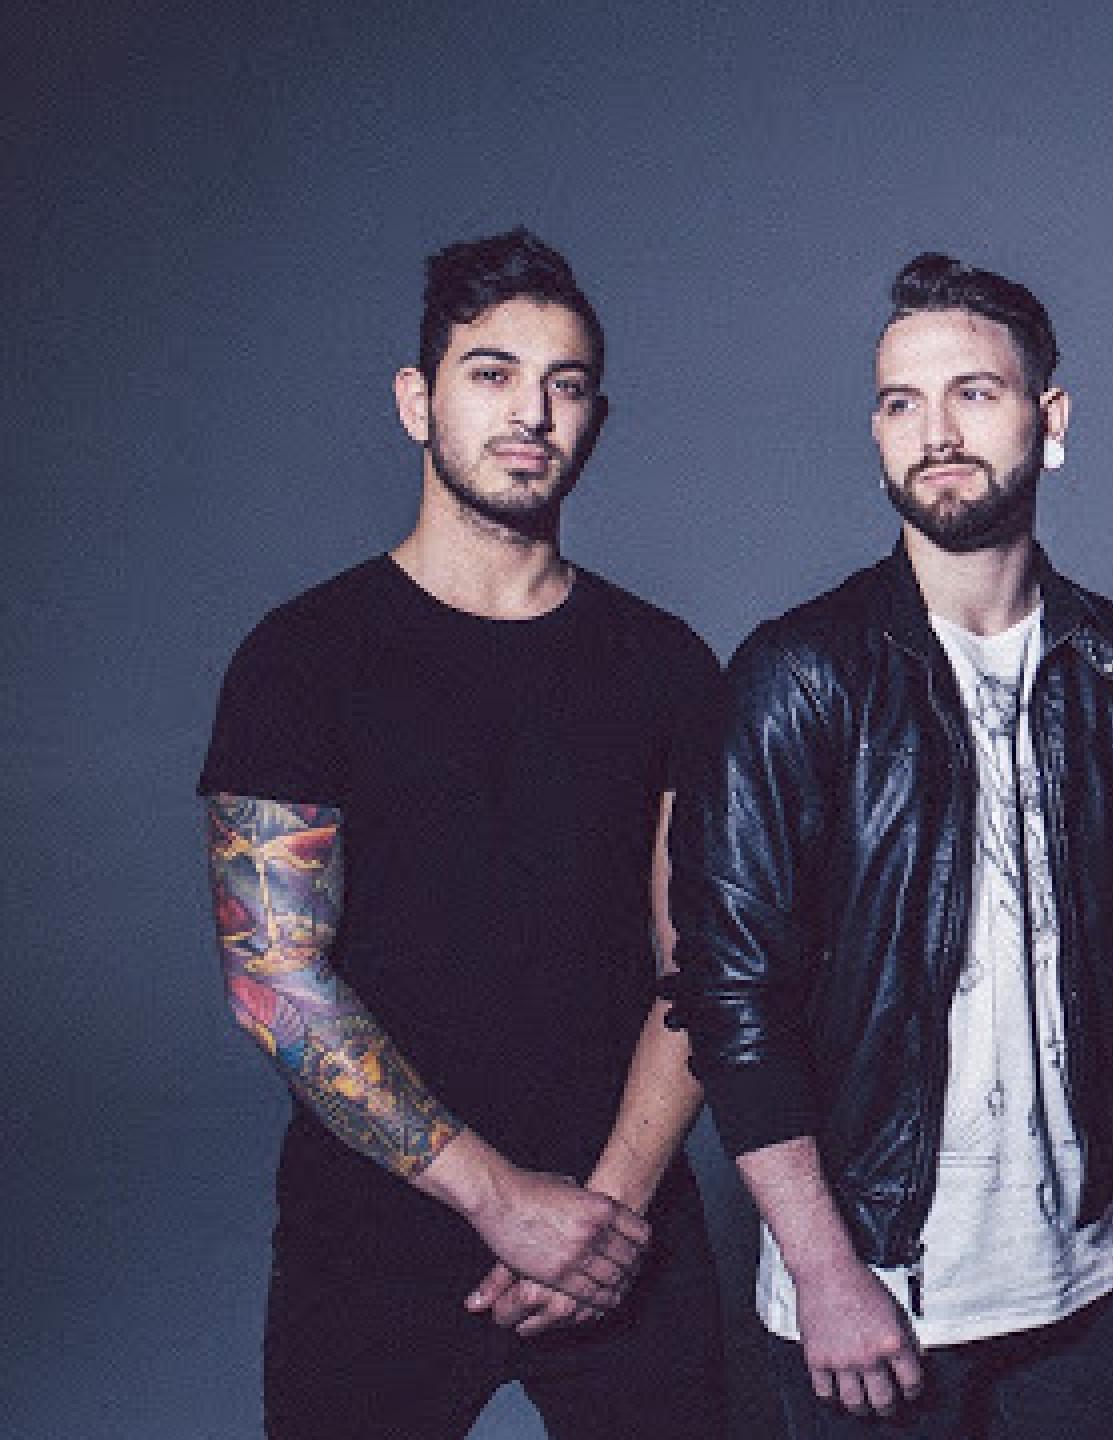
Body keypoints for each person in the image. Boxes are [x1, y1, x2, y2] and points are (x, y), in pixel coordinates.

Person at [672, 253, 1113, 1439]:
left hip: (1087, 1286)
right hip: (869, 1291)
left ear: (1050, 419)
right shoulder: (797, 676)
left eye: (974, 392)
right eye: (900, 403)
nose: (935, 433)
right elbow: (730, 996)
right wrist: (822, 1270)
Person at [200, 227, 726, 1438]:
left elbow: (700, 965)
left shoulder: (667, 666)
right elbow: (274, 976)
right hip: (374, 1232)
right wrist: (499, 1202)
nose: (530, 412)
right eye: (492, 373)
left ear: (596, 420)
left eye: (565, 384)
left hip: (625, 1223)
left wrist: (605, 1217)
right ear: (416, 400)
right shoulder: (303, 659)